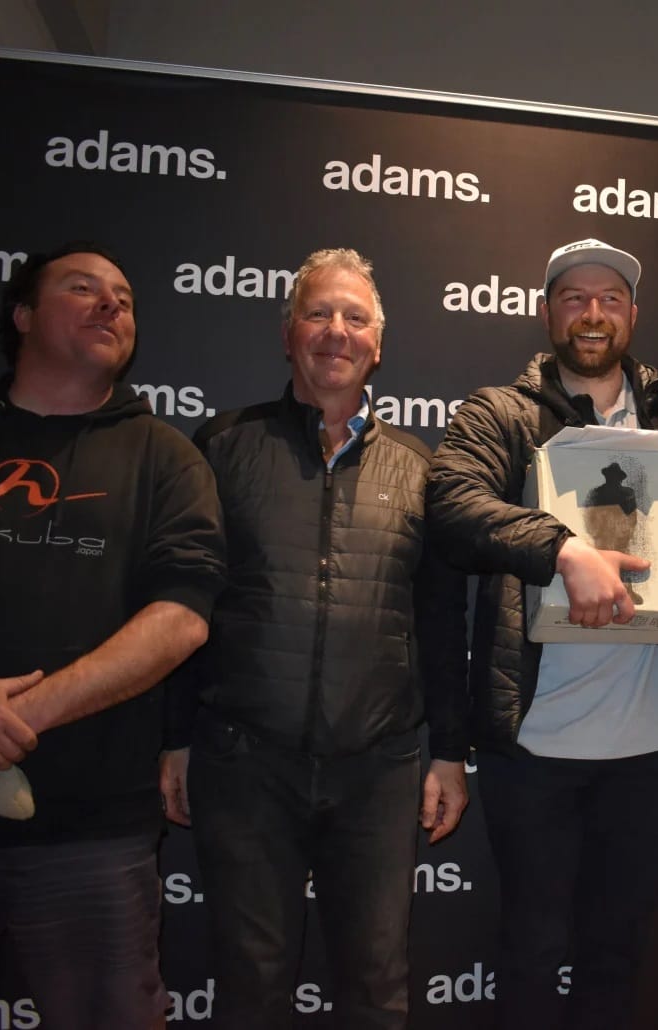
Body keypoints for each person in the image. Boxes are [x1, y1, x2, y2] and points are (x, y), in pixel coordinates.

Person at [0, 242, 226, 1028]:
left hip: (92, 829)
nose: (112, 304)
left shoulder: (165, 458)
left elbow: (181, 619)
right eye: (83, 288)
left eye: (125, 296)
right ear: (23, 316)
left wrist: (10, 722)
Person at [425, 238, 658, 1029]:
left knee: (619, 952)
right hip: (537, 737)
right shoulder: (500, 412)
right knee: (533, 951)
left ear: (634, 315)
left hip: (657, 736)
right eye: (573, 297)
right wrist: (561, 548)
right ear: (547, 313)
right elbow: (449, 502)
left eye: (609, 298)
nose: (592, 313)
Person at [158, 248, 468, 1029]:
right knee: (251, 980)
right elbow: (185, 602)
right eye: (319, 313)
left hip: (379, 768)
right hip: (243, 764)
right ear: (288, 332)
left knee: (376, 983)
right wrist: (174, 738)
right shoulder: (223, 446)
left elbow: (436, 620)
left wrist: (447, 752)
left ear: (378, 345)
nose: (337, 330)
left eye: (355, 317)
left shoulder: (418, 468)